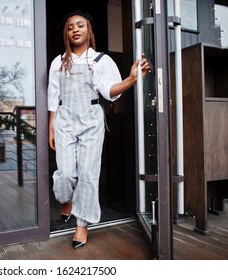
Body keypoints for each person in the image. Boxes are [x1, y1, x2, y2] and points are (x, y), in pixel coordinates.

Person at [48, 10, 150, 249]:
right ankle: (66, 199)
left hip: (91, 120)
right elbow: (53, 97)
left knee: (88, 175)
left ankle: (82, 224)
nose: (75, 29)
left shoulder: (101, 61)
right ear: (66, 33)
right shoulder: (58, 62)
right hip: (64, 119)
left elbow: (111, 90)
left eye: (80, 25)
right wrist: (50, 128)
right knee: (65, 173)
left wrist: (132, 79)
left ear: (88, 31)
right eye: (70, 26)